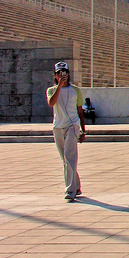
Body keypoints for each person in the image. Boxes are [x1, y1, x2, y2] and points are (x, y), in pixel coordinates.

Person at [46, 61, 86, 201]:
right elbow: (52, 103)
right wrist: (59, 87)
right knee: (65, 159)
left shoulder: (76, 90)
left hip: (72, 125)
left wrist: (83, 130)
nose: (61, 75)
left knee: (70, 157)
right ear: (55, 75)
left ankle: (70, 190)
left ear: (68, 74)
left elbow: (80, 112)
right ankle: (77, 186)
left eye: (64, 72)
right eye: (58, 73)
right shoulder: (51, 90)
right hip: (58, 126)